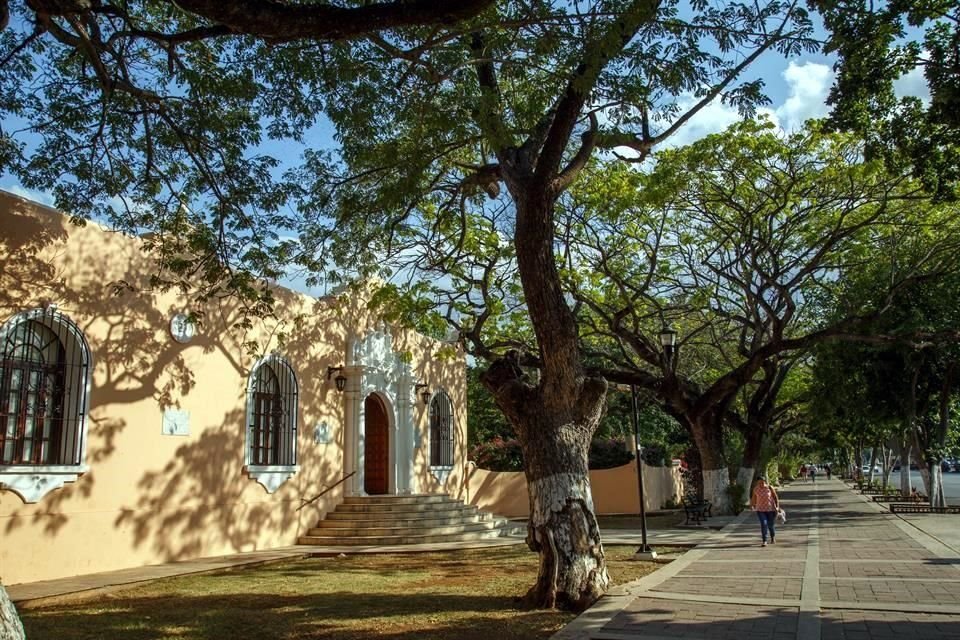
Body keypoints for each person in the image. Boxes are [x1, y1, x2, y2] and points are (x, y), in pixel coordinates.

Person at [750, 476, 780, 547]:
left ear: (765, 481)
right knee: (764, 524)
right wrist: (751, 505)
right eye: (759, 483)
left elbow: (775, 497)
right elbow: (753, 498)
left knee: (770, 525)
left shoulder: (769, 488)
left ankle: (772, 537)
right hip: (760, 510)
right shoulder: (756, 489)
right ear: (757, 483)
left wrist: (777, 507)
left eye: (762, 482)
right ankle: (764, 540)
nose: (761, 484)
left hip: (770, 509)